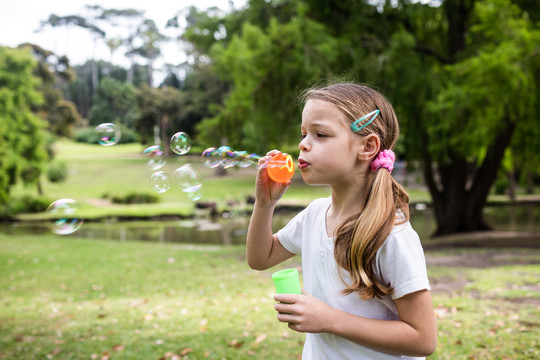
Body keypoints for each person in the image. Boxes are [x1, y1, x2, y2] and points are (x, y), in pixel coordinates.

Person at [246, 82, 437, 359]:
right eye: (304, 134)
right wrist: (265, 203)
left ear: (367, 146)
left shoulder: (390, 233)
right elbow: (260, 258)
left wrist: (328, 319)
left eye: (320, 134)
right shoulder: (314, 215)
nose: (303, 144)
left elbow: (423, 339)